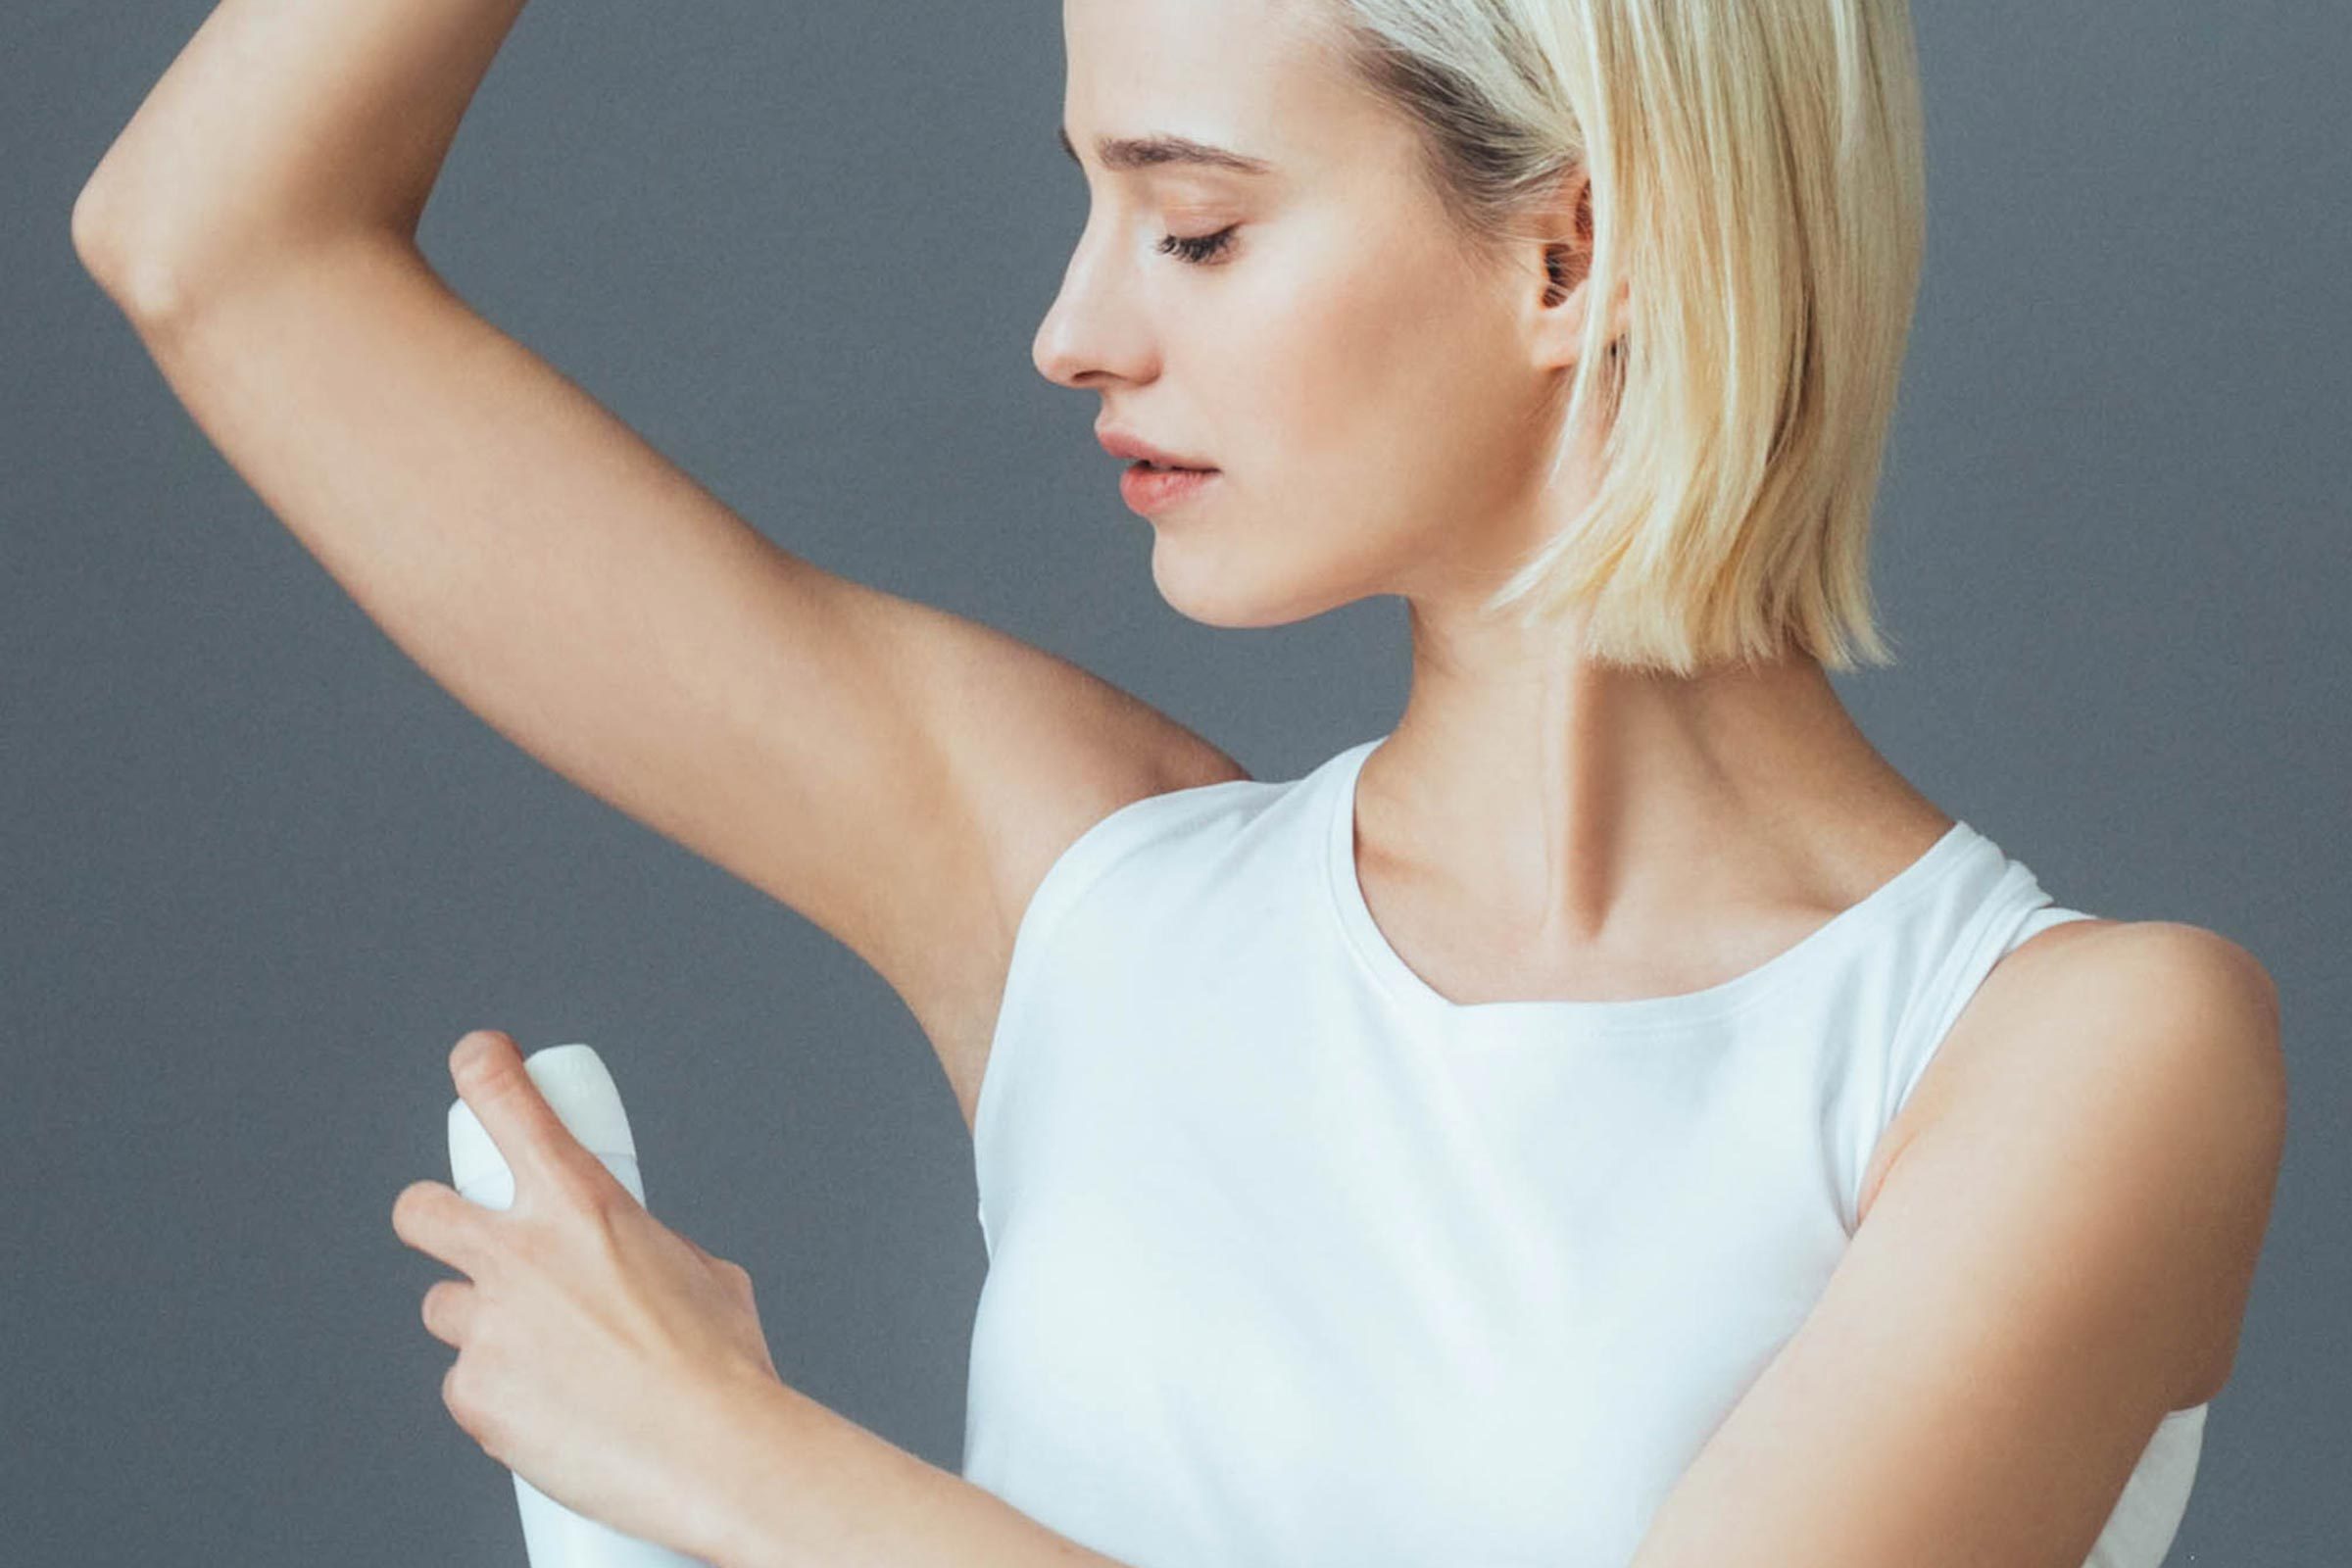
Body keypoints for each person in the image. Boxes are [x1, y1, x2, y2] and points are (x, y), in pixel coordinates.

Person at [73, 0, 2283, 1564]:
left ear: (1573, 250)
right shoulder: (1086, 891)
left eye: (1195, 223)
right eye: (1092, 205)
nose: (1073, 329)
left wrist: (746, 1468)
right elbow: (215, 244)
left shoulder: (2070, 1056)